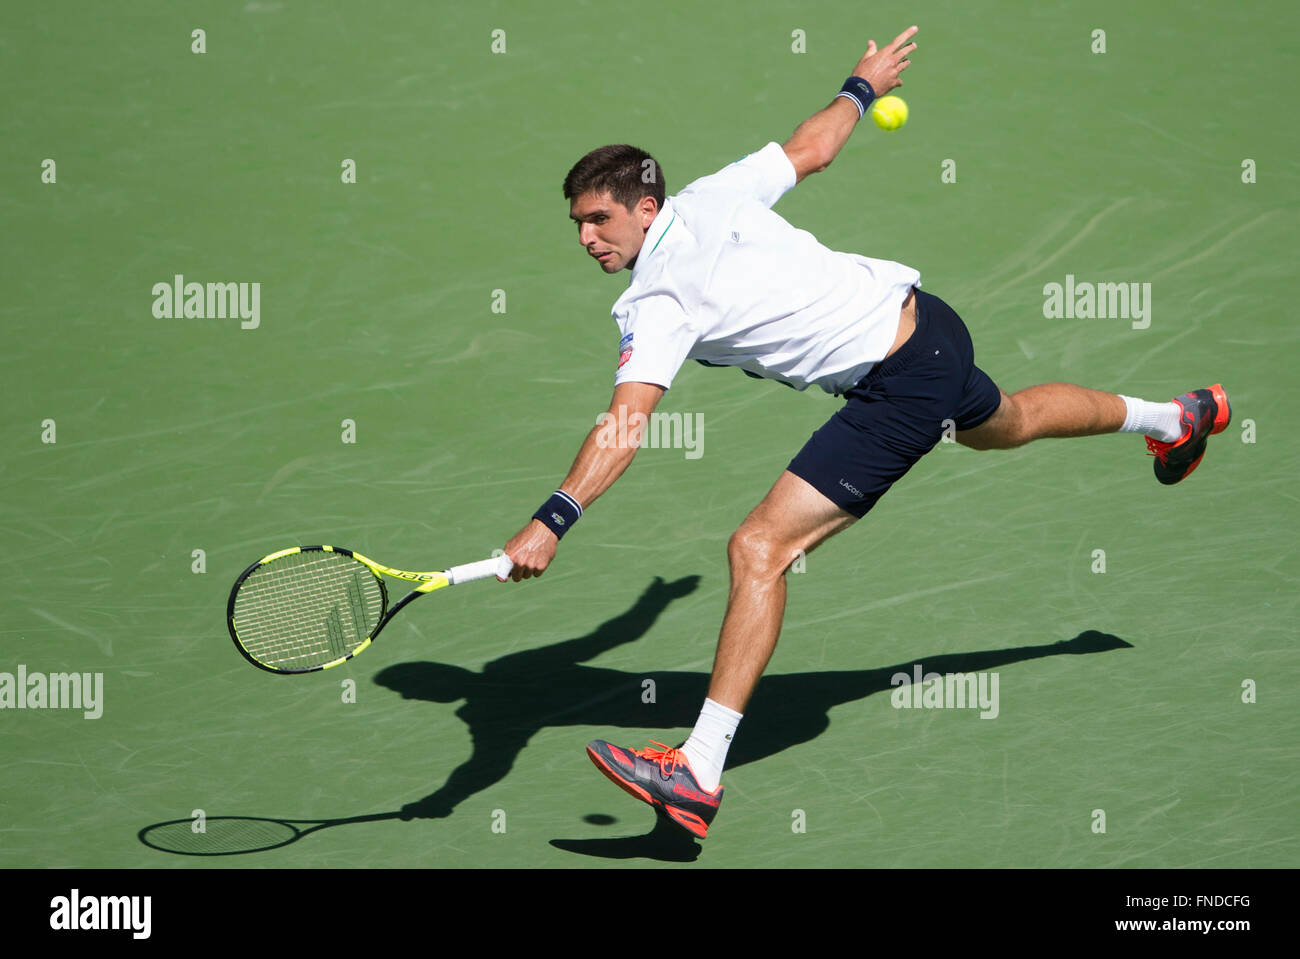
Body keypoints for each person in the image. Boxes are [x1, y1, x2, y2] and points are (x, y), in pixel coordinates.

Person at [499, 25, 1231, 838]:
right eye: (577, 223)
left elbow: (626, 424)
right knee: (1011, 421)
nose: (586, 238)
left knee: (759, 549)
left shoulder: (658, 299)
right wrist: (860, 88)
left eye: (599, 219)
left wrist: (554, 517)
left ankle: (697, 770)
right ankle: (1178, 418)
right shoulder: (710, 194)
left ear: (645, 207)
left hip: (897, 388)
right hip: (931, 326)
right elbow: (810, 150)